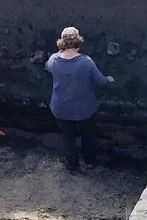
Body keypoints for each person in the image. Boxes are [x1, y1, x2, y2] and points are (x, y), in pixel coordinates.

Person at [45, 26, 113, 173]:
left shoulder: (53, 60)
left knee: (68, 138)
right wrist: (108, 79)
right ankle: (90, 161)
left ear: (61, 42)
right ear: (79, 42)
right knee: (88, 136)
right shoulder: (86, 62)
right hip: (84, 108)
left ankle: (73, 166)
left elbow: (48, 67)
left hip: (61, 108)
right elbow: (100, 81)